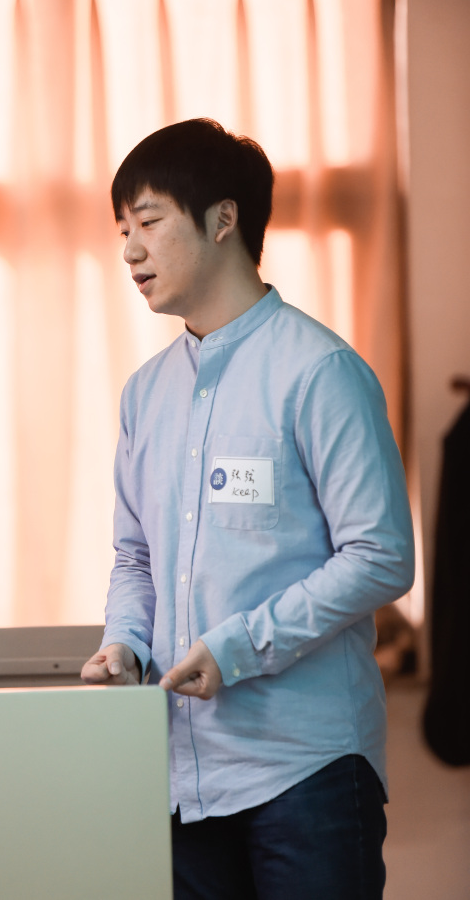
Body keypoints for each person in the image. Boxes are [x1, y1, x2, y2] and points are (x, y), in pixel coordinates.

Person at [81, 118, 415, 899]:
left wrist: (239, 645)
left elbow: (381, 555)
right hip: (182, 773)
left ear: (223, 218)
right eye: (122, 230)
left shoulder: (320, 371)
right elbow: (135, 556)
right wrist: (125, 641)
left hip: (308, 769)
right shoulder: (145, 394)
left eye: (148, 222)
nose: (129, 250)